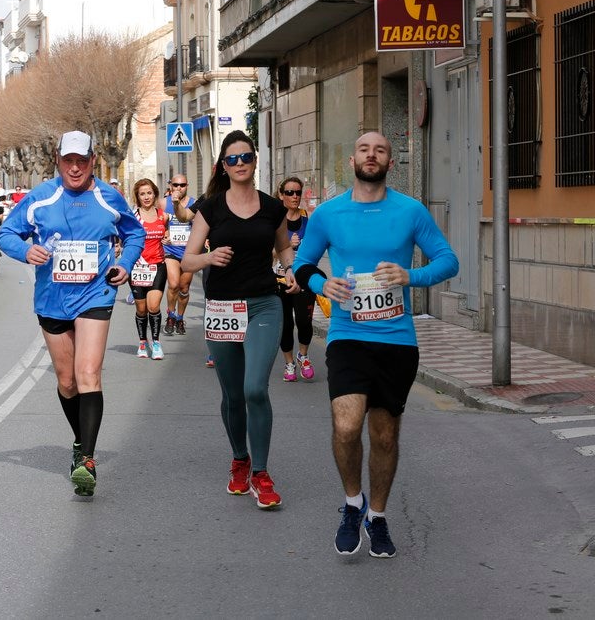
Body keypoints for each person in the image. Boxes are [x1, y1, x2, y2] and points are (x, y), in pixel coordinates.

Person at [293, 131, 459, 559]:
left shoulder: (410, 211)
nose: (372, 155)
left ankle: (378, 516)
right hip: (348, 336)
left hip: (396, 340)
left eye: (380, 150)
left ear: (390, 161)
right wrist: (322, 284)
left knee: (384, 437)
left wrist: (410, 276)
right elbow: (302, 264)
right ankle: (353, 504)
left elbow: (448, 261)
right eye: (364, 149)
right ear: (352, 161)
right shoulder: (328, 213)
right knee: (347, 426)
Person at [0, 130, 145, 497]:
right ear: (58, 160)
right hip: (52, 299)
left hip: (96, 293)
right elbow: (6, 234)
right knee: (67, 381)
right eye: (69, 161)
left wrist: (125, 264)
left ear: (93, 160)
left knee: (88, 373)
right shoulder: (40, 198)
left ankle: (88, 460)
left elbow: (135, 234)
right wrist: (25, 251)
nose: (75, 168)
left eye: (82, 161)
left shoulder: (108, 197)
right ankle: (80, 442)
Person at [181, 130, 299, 510]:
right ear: (223, 166)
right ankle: (240, 460)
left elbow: (284, 247)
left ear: (255, 160)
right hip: (222, 309)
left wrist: (291, 269)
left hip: (264, 304)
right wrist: (208, 258)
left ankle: (261, 473)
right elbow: (187, 260)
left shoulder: (272, 208)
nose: (240, 163)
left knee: (254, 388)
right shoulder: (211, 208)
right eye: (232, 159)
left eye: (245, 156)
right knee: (232, 394)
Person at [275, 176, 316, 383]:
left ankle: (303, 355)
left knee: (304, 321)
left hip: (303, 279)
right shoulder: (274, 221)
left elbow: (316, 250)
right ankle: (289, 363)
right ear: (281, 195)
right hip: (280, 280)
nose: (294, 196)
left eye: (298, 192)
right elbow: (266, 254)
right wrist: (285, 246)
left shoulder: (309, 221)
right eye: (289, 192)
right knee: (286, 324)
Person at [128, 178, 169, 360]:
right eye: (142, 194)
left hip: (158, 265)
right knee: (141, 308)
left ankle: (156, 343)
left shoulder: (163, 216)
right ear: (137, 197)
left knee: (154, 306)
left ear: (155, 194)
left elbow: (165, 232)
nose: (146, 197)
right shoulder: (132, 217)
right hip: (137, 267)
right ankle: (143, 342)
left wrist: (167, 237)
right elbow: (123, 236)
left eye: (149, 193)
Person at [160, 173, 196, 335]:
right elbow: (156, 224)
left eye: (182, 185)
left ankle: (180, 318)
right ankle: (171, 315)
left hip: (189, 252)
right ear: (170, 186)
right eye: (176, 185)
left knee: (184, 288)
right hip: (171, 250)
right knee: (173, 284)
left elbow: (201, 226)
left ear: (187, 186)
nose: (179, 188)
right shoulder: (163, 203)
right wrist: (164, 234)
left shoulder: (194, 203)